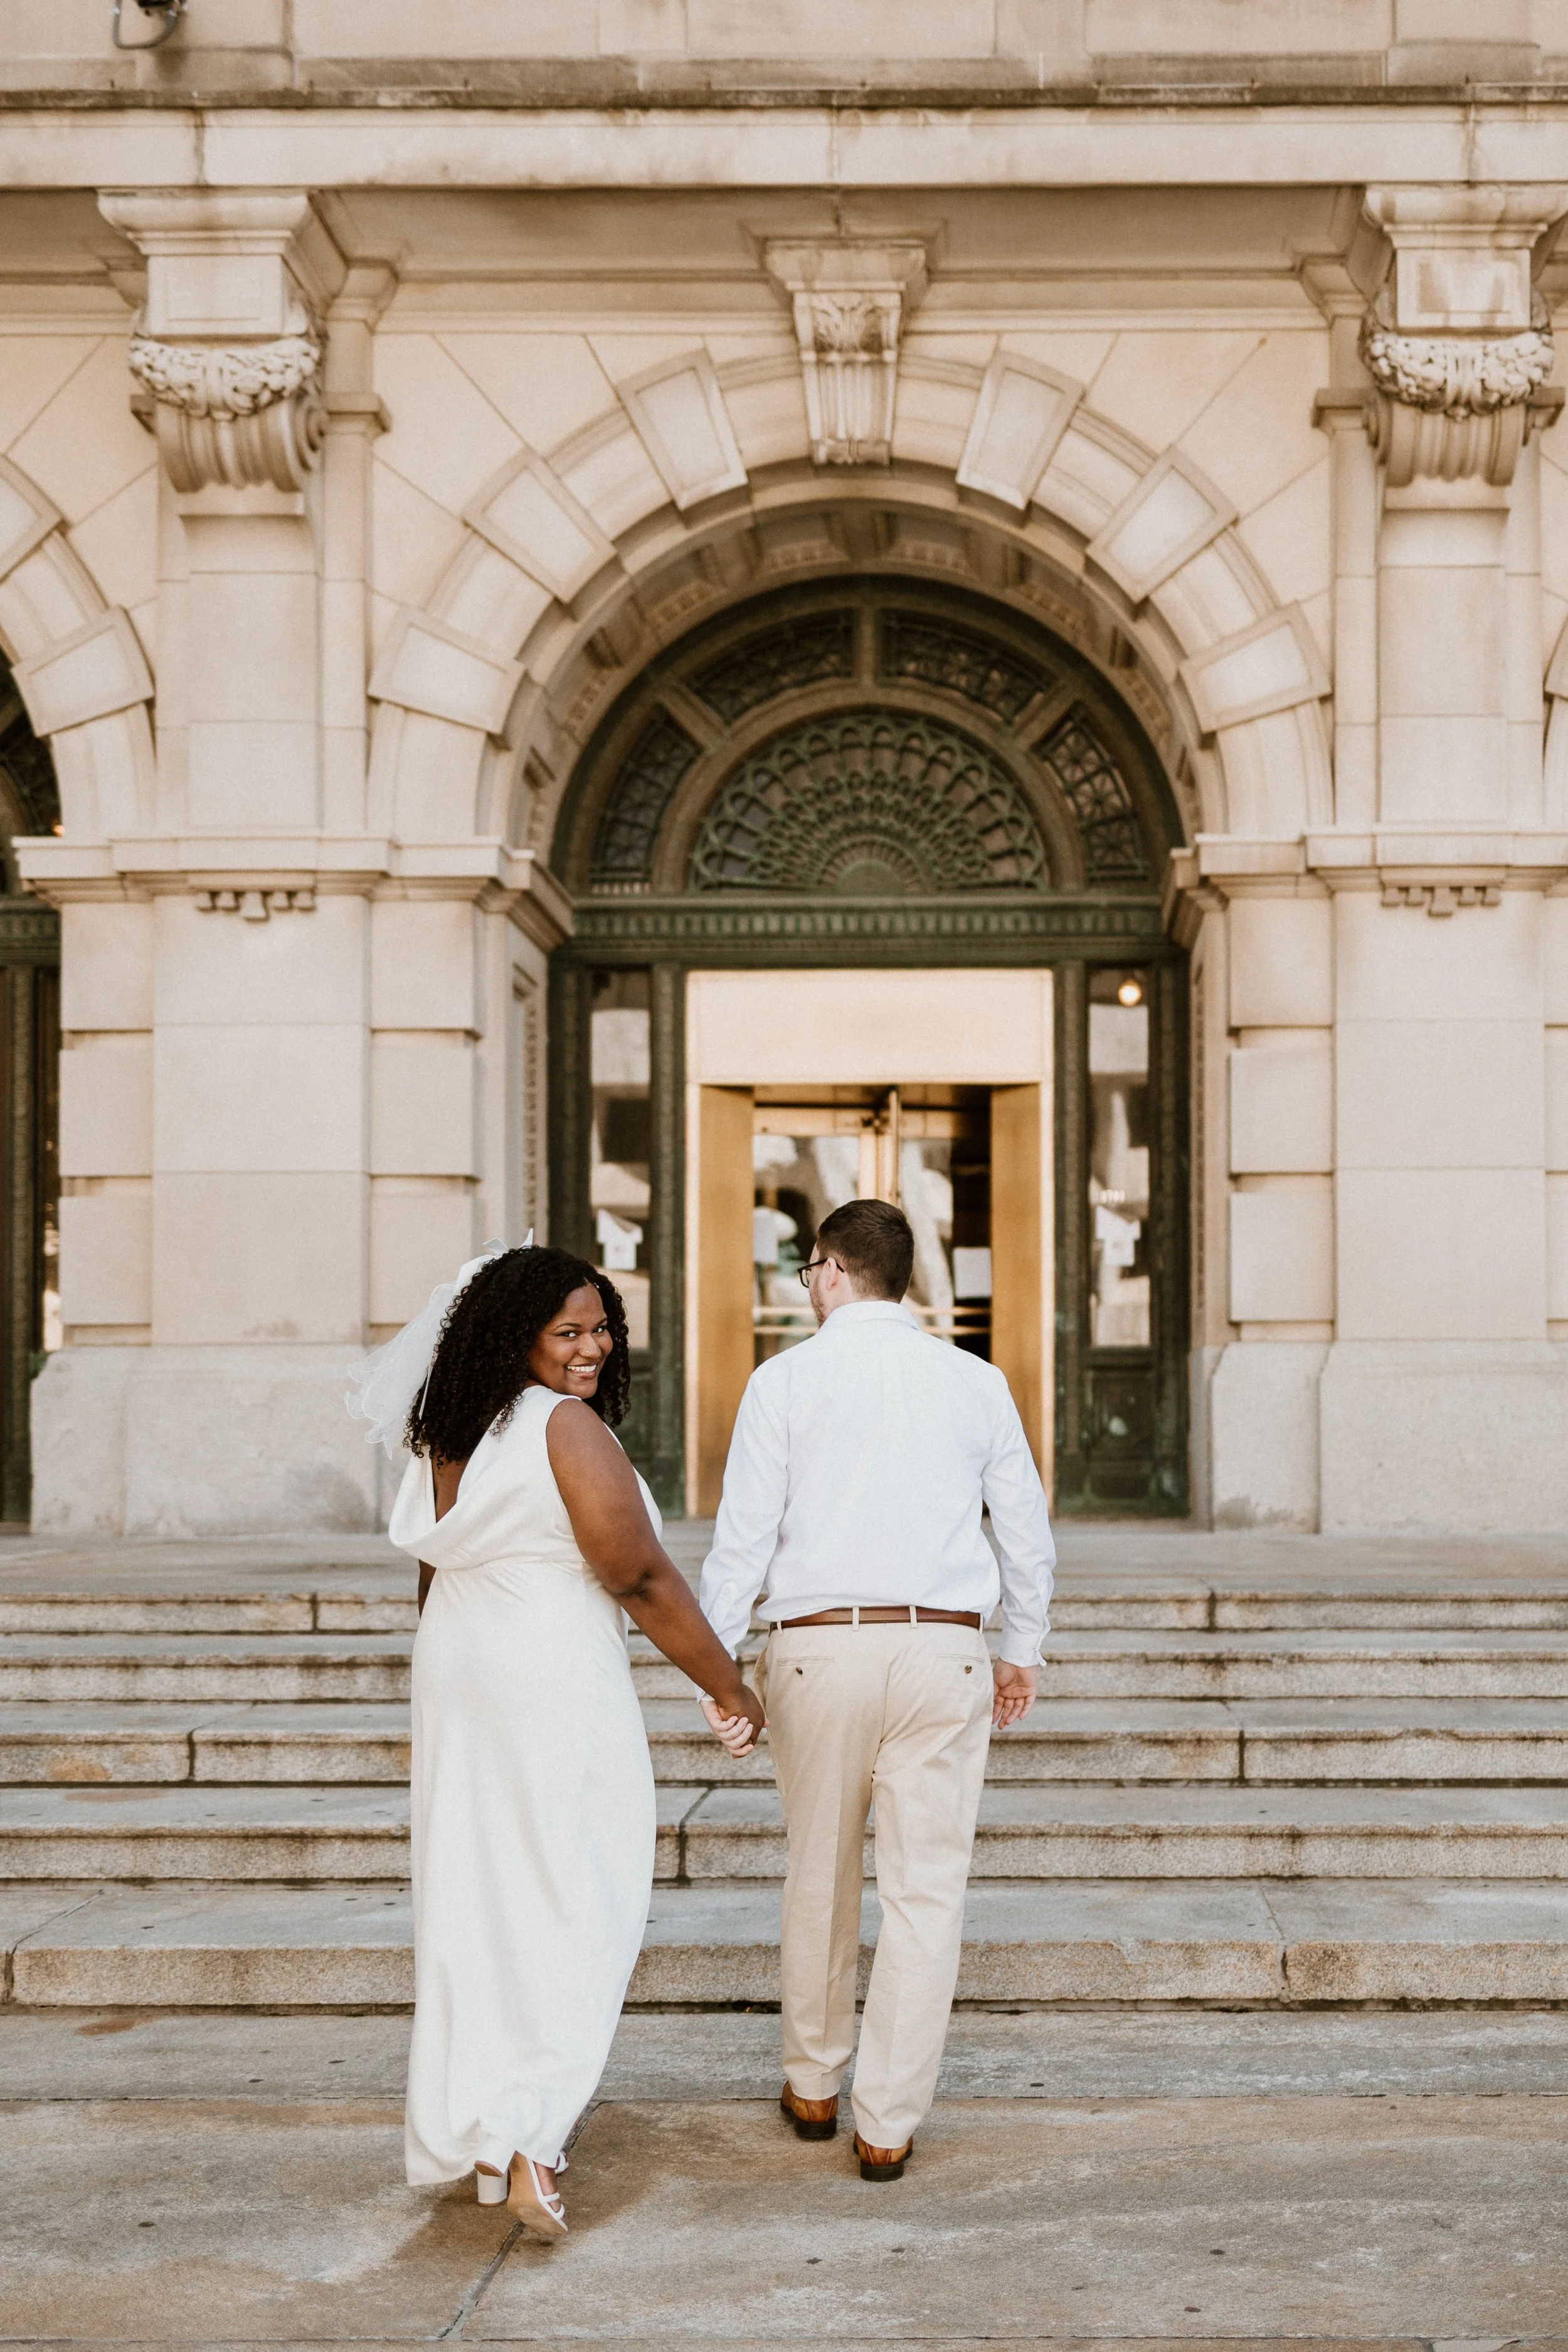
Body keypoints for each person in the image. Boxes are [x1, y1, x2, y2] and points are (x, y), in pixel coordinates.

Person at [365, 1244, 763, 2239]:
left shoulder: (449, 1431)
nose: (593, 1348)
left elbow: (435, 1571)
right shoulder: (564, 1427)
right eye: (569, 1332)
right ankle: (536, 2141)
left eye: (600, 1327)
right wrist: (729, 1684)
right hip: (548, 1673)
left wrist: (447, 1693)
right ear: (518, 1337)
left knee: (481, 1898)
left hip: (461, 1667)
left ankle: (489, 2144)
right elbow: (639, 1576)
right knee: (579, 1893)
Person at [698, 1197, 1054, 2183]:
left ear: (832, 1270)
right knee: (926, 1893)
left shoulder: (784, 1381)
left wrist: (720, 1671)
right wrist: (1021, 1646)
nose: (808, 1283)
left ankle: (813, 2080)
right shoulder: (977, 1381)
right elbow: (1023, 1530)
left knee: (818, 1870)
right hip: (944, 1652)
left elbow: (744, 1540)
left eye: (812, 1269)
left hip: (817, 1651)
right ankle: (887, 2122)